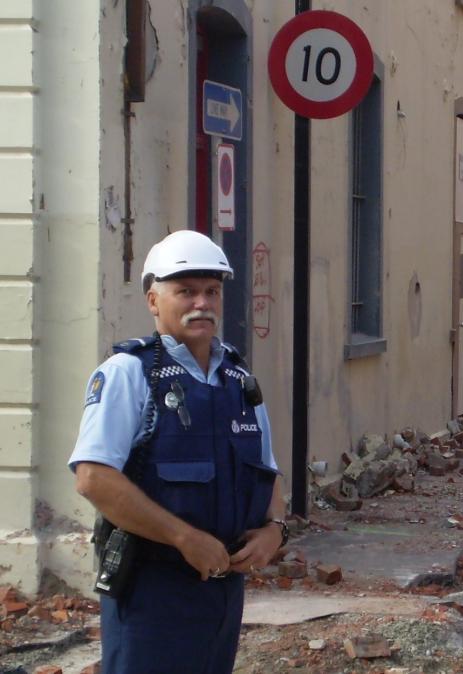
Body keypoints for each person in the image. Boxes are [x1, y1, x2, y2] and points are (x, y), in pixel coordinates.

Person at [70, 230, 288, 674]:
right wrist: (183, 537)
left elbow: (267, 471)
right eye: (185, 292)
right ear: (153, 301)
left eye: (211, 292)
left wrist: (274, 530)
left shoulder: (238, 380)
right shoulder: (129, 374)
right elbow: (93, 476)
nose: (201, 303)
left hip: (223, 590)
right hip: (152, 587)